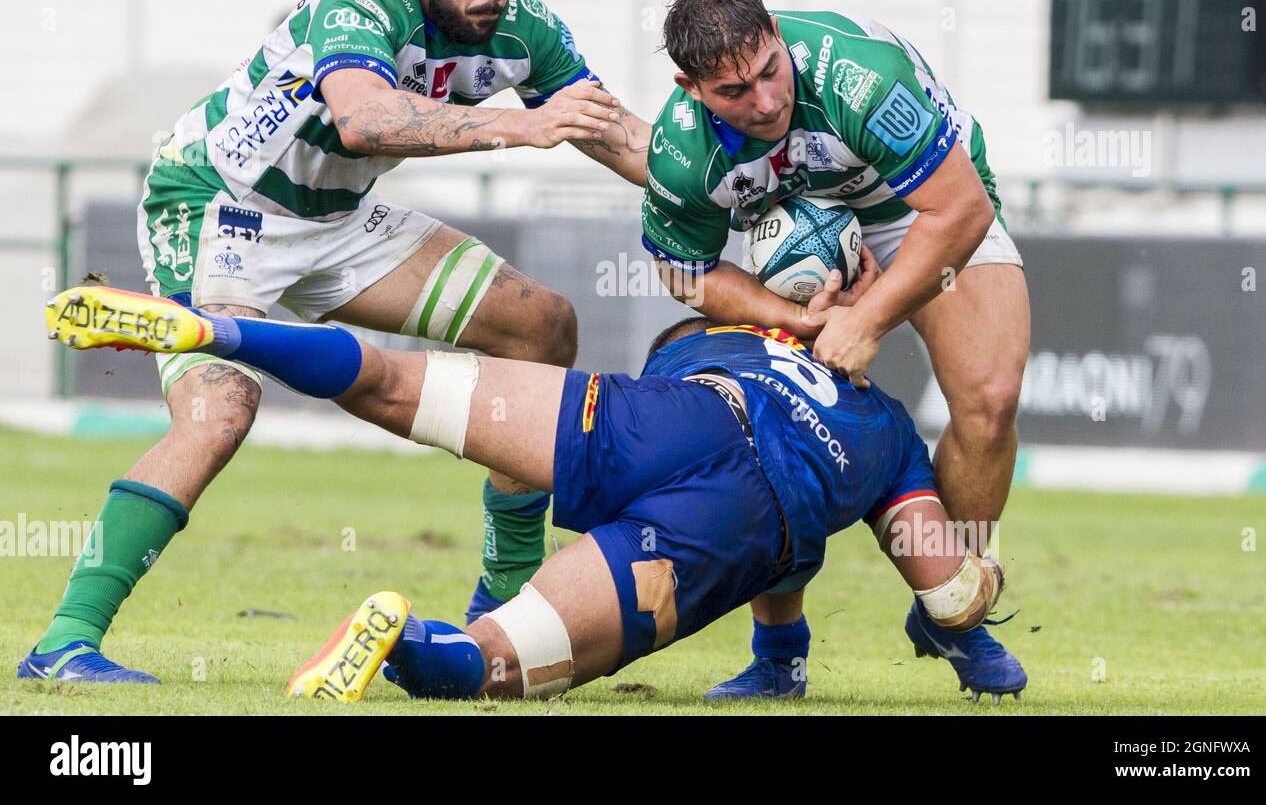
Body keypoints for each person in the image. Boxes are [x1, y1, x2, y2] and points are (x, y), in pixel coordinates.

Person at [17, 0, 651, 685]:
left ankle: (499, 605)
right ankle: (64, 644)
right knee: (222, 410)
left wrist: (726, 192)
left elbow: (615, 132)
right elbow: (365, 118)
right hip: (221, 205)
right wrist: (519, 126)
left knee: (542, 326)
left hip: (338, 219)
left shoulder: (523, 28)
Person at [39, 286, 1021, 704]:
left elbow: (686, 315)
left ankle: (215, 330)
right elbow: (940, 589)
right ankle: (412, 640)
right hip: (731, 521)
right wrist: (973, 602)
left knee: (390, 378)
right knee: (498, 664)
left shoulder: (733, 337)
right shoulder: (889, 428)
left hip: (659, 412)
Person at [640, 0, 1030, 699]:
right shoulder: (679, 151)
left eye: (769, 71)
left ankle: (953, 607)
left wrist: (866, 315)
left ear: (779, 38)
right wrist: (800, 320)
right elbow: (685, 272)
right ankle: (779, 656)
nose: (763, 101)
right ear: (689, 87)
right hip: (791, 240)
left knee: (992, 399)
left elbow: (962, 208)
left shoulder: (859, 77)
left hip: (921, 206)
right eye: (733, 91)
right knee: (769, 433)